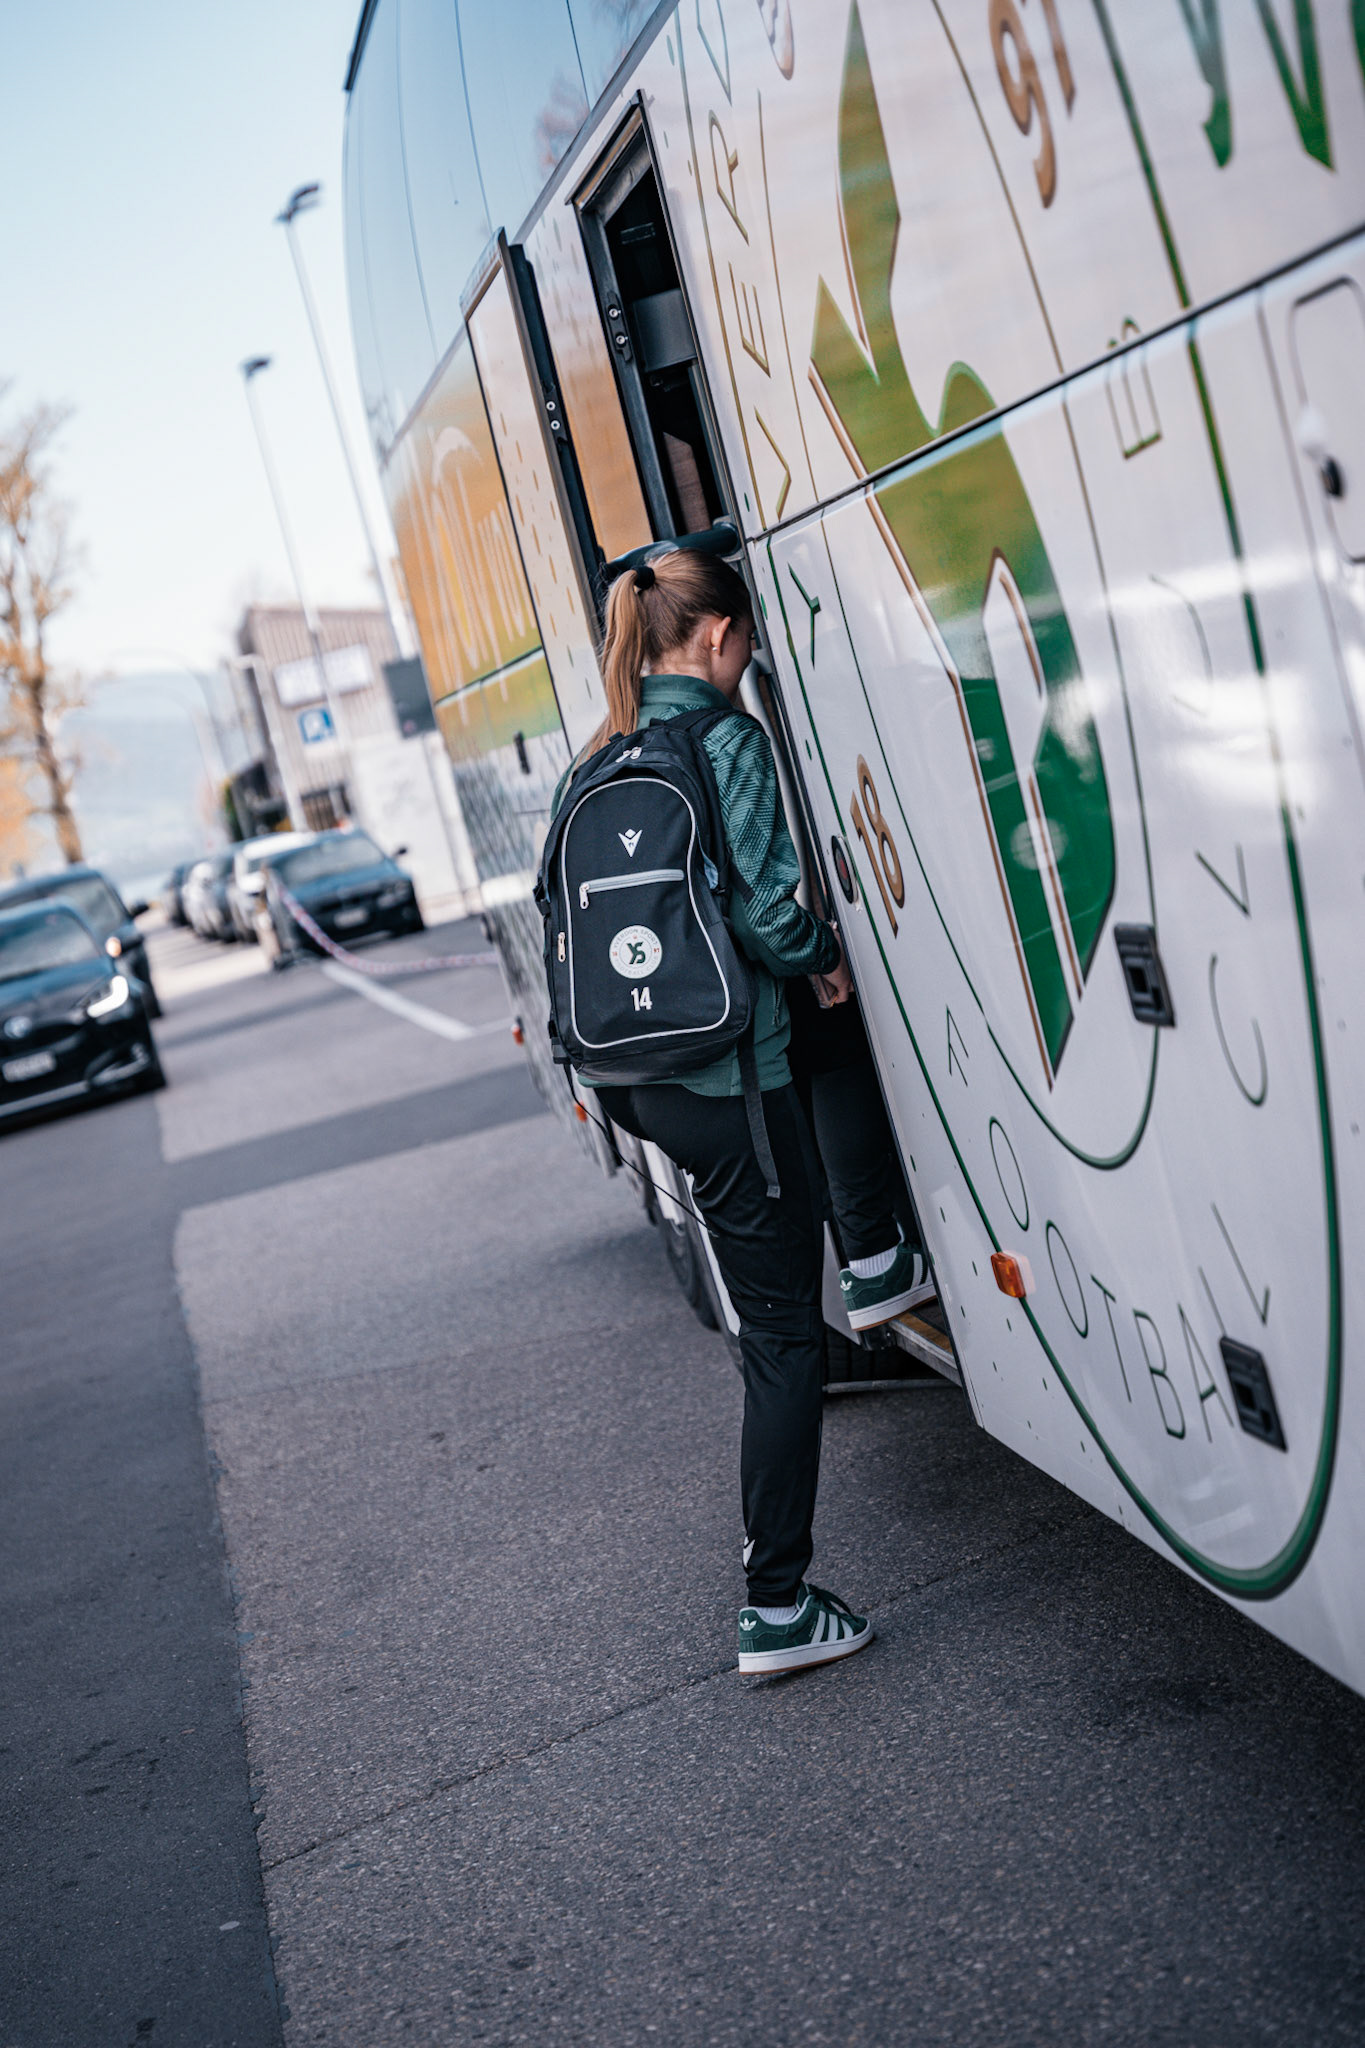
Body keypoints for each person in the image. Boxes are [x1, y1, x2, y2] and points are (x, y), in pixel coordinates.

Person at [555, 546, 875, 1676]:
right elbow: (765, 904)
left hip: (639, 1084)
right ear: (719, 638)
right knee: (785, 1339)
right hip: (729, 1079)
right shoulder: (725, 738)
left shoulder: (596, 753)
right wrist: (823, 959)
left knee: (767, 1312)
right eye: (747, 640)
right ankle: (776, 1603)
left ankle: (876, 1255)